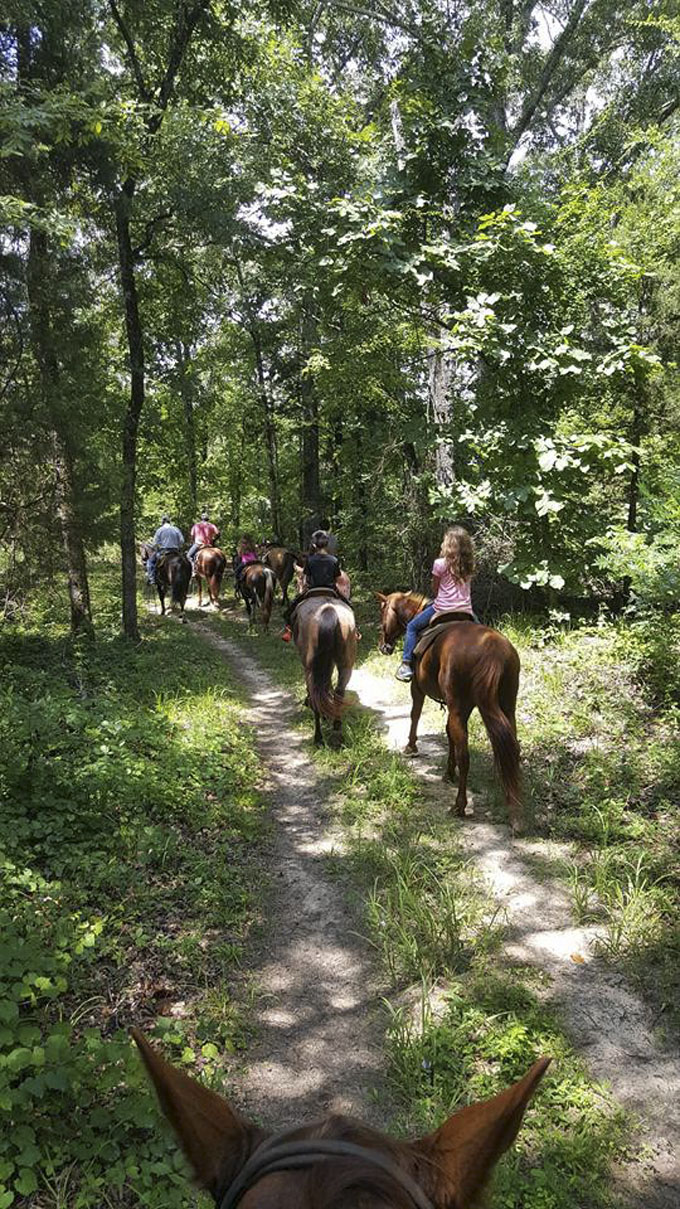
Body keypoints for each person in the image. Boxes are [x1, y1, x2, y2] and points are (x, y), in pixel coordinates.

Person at [395, 525, 477, 681]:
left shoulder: (440, 564)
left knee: (412, 626)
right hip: (466, 610)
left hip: (442, 609)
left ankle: (406, 664)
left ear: (448, 544)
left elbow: (436, 588)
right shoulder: (470, 564)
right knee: (482, 630)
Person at [280, 530, 347, 641]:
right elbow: (337, 578)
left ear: (314, 545)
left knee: (290, 610)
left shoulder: (310, 560)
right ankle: (355, 631)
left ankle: (289, 630)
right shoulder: (334, 560)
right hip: (331, 589)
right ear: (327, 545)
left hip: (313, 589)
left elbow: (306, 578)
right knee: (349, 606)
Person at [146, 515, 185, 585]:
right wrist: (178, 546)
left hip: (164, 551)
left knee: (150, 562)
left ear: (162, 522)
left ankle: (152, 578)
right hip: (175, 551)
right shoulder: (176, 529)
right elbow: (182, 541)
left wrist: (158, 546)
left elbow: (155, 543)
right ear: (169, 521)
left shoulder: (160, 530)